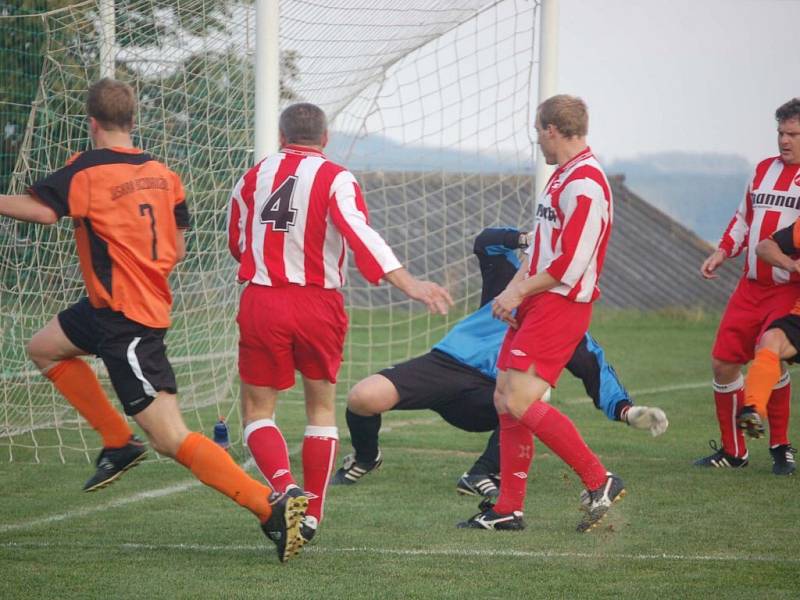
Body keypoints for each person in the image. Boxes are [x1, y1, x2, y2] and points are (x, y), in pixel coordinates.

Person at [0, 79, 306, 563]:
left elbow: (42, 212)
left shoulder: (87, 170)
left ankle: (270, 507)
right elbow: (179, 246)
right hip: (112, 308)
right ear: (132, 121)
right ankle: (117, 441)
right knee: (43, 347)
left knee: (169, 437)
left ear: (92, 123)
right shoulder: (164, 174)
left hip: (127, 320)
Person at [226, 103, 453, 548]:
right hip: (319, 304)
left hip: (264, 299)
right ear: (325, 138)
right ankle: (311, 515)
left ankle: (283, 486)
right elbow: (358, 231)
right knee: (321, 410)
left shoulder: (254, 175)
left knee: (257, 410)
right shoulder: (336, 177)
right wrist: (407, 282)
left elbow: (237, 240)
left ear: (280, 135)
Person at [332, 227, 668, 497]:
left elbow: (598, 374)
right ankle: (366, 458)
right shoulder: (510, 279)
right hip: (447, 364)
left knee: (535, 397)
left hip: (490, 396)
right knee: (363, 397)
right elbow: (486, 242)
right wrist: (529, 239)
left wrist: (627, 411)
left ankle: (481, 473)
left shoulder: (568, 327)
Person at [457, 94, 620, 533]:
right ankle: (508, 508)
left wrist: (521, 292)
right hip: (538, 301)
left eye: (538, 133)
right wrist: (513, 294)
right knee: (504, 399)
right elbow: (541, 251)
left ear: (551, 129)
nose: (539, 143)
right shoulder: (561, 177)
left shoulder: (585, 183)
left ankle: (598, 479)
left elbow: (571, 264)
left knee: (519, 400)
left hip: (563, 305)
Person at [696, 98, 800, 473]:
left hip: (788, 288)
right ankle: (734, 451)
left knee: (770, 354)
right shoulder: (762, 171)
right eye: (780, 133)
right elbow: (743, 220)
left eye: (793, 134)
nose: (784, 141)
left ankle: (780, 445)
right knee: (723, 363)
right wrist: (723, 252)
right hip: (750, 286)